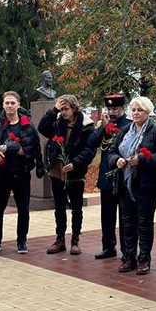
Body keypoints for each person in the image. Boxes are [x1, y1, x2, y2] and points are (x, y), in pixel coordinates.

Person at [109, 96, 156, 275]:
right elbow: (112, 151)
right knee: (127, 223)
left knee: (144, 223)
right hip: (125, 183)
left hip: (147, 185)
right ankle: (129, 257)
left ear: (148, 112)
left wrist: (142, 159)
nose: (136, 113)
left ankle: (144, 259)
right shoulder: (125, 131)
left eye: (140, 110)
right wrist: (118, 160)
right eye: (134, 110)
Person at [0, 91, 42, 254]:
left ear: (18, 105)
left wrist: (20, 150)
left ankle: (22, 241)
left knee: (23, 209)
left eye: (12, 103)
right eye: (7, 103)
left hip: (21, 173)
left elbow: (35, 148)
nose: (9, 106)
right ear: (3, 105)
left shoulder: (27, 125)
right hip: (0, 173)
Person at [38, 94, 98, 255]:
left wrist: (76, 163)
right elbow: (42, 128)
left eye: (66, 109)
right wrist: (53, 110)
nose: (63, 112)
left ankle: (75, 240)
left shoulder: (86, 126)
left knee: (76, 207)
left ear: (74, 108)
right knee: (59, 207)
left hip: (75, 172)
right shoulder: (57, 122)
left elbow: (90, 149)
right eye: (61, 109)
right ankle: (60, 239)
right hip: (57, 171)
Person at [91, 94, 131, 259]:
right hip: (107, 175)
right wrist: (103, 127)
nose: (112, 111)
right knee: (107, 214)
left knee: (124, 216)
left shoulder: (128, 125)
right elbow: (91, 143)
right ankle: (108, 246)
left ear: (122, 108)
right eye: (109, 108)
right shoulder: (103, 125)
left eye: (115, 108)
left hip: (122, 175)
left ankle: (126, 250)